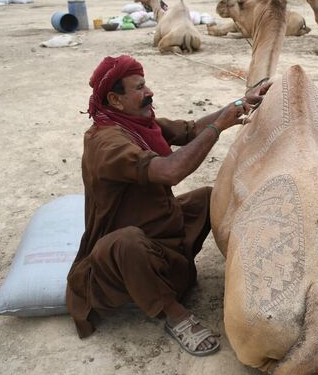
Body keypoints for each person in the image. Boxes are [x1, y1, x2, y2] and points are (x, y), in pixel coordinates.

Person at [66, 55, 271, 356]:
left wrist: (239, 105)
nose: (149, 92)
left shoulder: (136, 123)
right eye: (139, 88)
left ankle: (174, 276)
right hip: (124, 262)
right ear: (115, 99)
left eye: (145, 84)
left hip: (161, 238)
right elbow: (169, 171)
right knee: (126, 241)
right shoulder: (106, 143)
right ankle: (173, 313)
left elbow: (188, 130)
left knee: (208, 197)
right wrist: (217, 129)